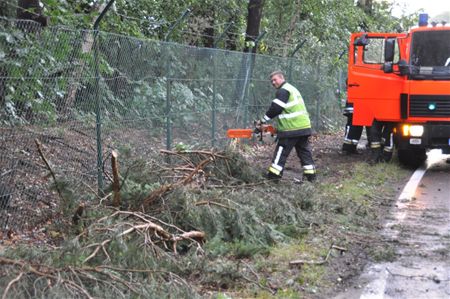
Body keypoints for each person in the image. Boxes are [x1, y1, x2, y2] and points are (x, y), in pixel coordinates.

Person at [258, 70, 316, 182]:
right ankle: (311, 177)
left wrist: (263, 120)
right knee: (304, 152)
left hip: (291, 129)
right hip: (303, 128)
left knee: (281, 151)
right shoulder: (292, 89)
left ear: (281, 78)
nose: (273, 83)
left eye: (275, 80)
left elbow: (276, 108)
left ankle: (273, 177)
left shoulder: (283, 91)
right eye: (271, 81)